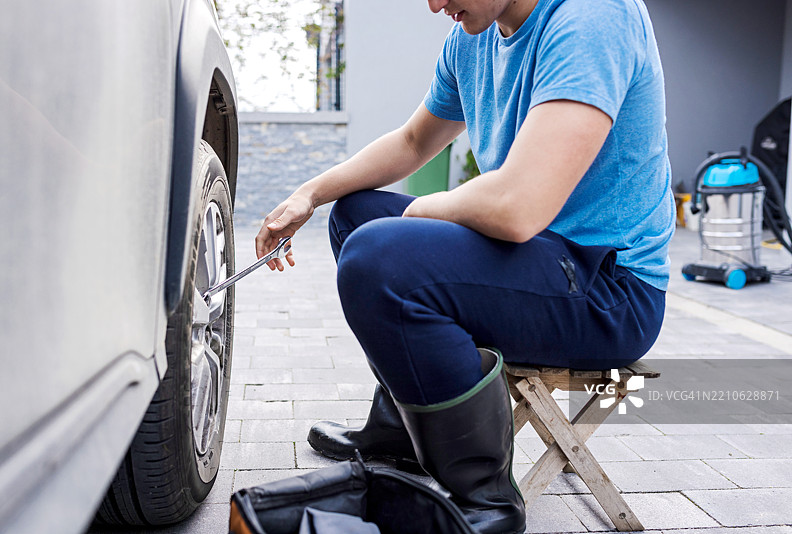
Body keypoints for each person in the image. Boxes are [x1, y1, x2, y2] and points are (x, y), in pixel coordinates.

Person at [254, 0, 674, 532]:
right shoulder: (474, 35)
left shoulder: (593, 17)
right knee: (355, 215)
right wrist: (308, 194)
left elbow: (518, 208)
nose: (434, 5)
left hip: (608, 290)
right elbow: (412, 141)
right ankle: (400, 436)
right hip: (537, 257)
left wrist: (422, 210)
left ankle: (484, 500)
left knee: (380, 256)